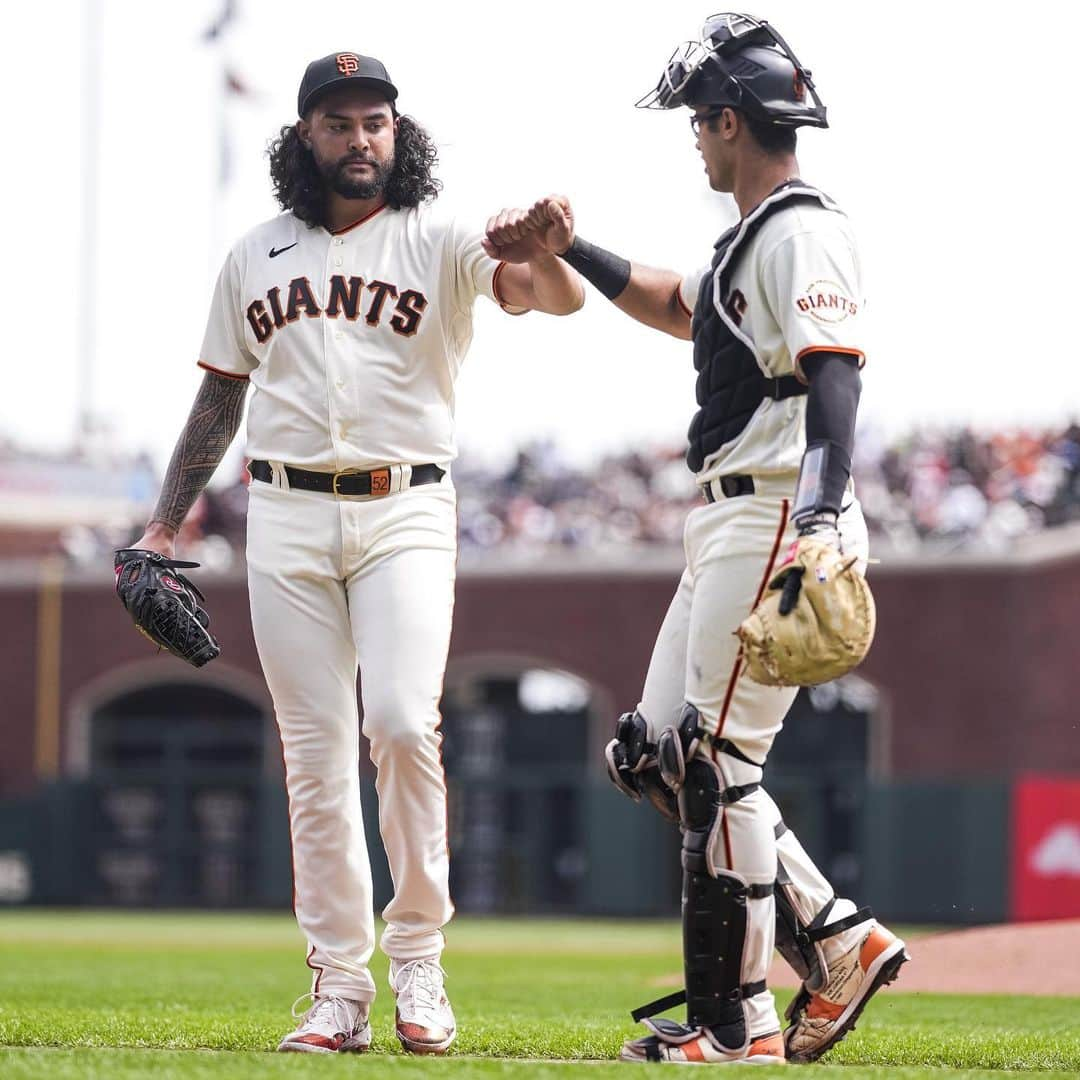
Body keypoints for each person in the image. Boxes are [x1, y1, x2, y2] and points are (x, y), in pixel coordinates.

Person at [128, 51, 582, 1055]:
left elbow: (548, 299)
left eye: (375, 120)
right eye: (339, 123)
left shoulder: (440, 236)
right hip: (283, 515)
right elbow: (220, 393)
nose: (360, 138)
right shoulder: (256, 254)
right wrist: (165, 521)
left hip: (405, 508)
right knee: (314, 756)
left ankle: (416, 953)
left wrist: (551, 251)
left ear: (397, 131)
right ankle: (339, 987)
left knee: (401, 721)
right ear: (305, 139)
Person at [495, 12, 907, 1066]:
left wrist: (819, 514)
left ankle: (738, 1026)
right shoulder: (751, 235)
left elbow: (836, 376)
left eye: (697, 119)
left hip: (774, 505)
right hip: (730, 510)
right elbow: (680, 305)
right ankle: (839, 941)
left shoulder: (803, 228)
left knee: (715, 761)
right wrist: (568, 250)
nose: (691, 135)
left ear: (730, 120)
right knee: (657, 754)